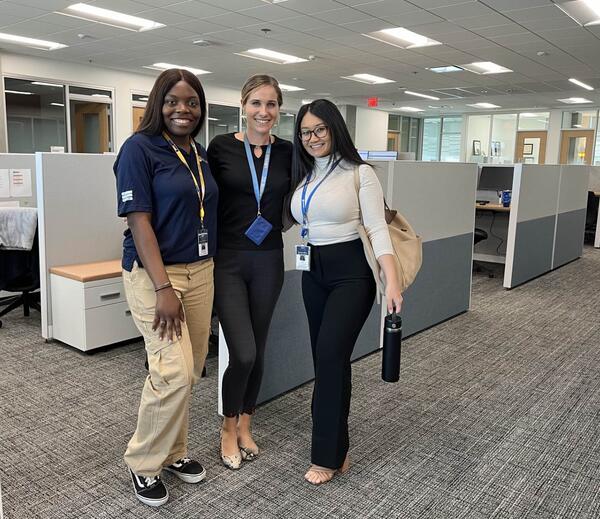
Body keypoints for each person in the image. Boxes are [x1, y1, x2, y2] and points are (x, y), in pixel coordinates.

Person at [114, 68, 218, 506]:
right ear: (159, 103)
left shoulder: (199, 153)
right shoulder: (139, 149)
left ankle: (173, 452)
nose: (183, 109)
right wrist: (162, 288)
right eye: (173, 101)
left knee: (191, 369)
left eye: (191, 102)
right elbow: (140, 223)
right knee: (170, 371)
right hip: (157, 276)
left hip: (201, 270)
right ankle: (142, 462)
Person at [289, 99, 403, 485]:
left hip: (351, 274)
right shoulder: (303, 174)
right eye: (305, 131)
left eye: (320, 129)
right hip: (313, 272)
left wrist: (393, 280)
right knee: (328, 362)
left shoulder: (360, 173)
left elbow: (377, 228)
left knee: (330, 354)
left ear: (335, 128)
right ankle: (339, 445)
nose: (313, 137)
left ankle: (327, 456)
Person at [207, 74, 292, 469]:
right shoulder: (221, 147)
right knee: (241, 352)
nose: (264, 112)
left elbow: (302, 197)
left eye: (271, 104)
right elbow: (203, 198)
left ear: (279, 109)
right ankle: (226, 426)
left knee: (257, 350)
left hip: (269, 259)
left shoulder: (290, 152)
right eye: (256, 103)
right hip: (229, 261)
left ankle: (245, 424)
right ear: (243, 106)